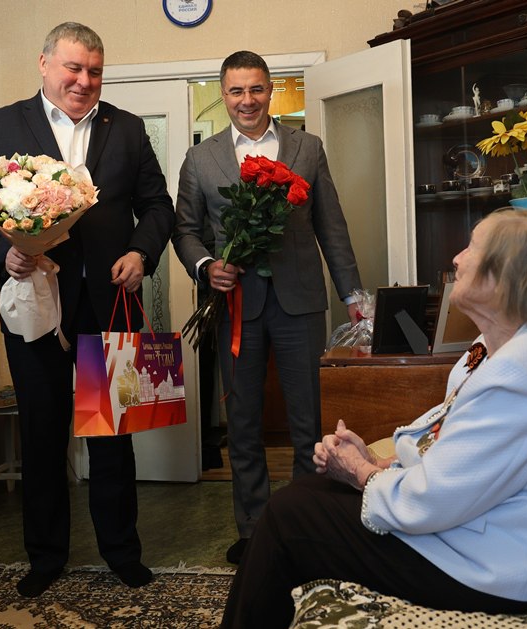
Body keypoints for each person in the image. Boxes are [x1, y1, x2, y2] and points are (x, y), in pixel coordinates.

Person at [220, 210, 527, 627]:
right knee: (309, 492)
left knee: (288, 516)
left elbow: (434, 498)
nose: (457, 258)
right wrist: (380, 464)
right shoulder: (505, 347)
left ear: (504, 276)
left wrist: (360, 473)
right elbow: (461, 446)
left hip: (506, 569)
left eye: (472, 248)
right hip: (495, 532)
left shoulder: (523, 371)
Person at [0, 23, 175, 597]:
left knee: (113, 435)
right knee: (43, 432)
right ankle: (45, 556)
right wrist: (3, 254)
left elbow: (157, 205)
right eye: (73, 68)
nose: (84, 80)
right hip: (35, 304)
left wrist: (140, 252)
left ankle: (122, 552)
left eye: (94, 71)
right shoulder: (1, 124)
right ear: (45, 64)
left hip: (109, 304)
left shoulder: (127, 128)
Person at [172, 51, 362, 564]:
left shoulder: (307, 147)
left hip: (300, 304)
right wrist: (206, 265)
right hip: (236, 307)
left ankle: (304, 526)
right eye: (236, 91)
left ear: (271, 90)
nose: (247, 100)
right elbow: (185, 231)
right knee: (243, 425)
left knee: (308, 423)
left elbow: (332, 226)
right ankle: (255, 530)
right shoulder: (200, 158)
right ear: (223, 94)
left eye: (256, 89)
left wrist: (353, 296)